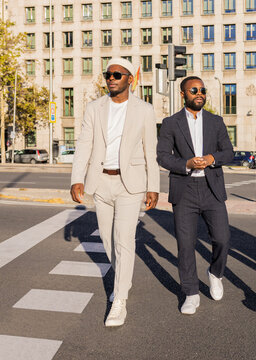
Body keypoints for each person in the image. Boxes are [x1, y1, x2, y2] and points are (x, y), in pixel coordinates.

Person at [70, 58, 160, 327]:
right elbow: (84, 144)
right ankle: (124, 279)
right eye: (108, 74)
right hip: (101, 183)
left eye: (117, 75)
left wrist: (153, 186)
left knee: (123, 239)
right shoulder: (94, 108)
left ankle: (119, 300)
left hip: (130, 184)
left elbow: (150, 151)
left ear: (130, 79)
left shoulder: (144, 110)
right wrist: (77, 179)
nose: (111, 78)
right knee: (109, 242)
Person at [157, 76, 234, 315]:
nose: (199, 93)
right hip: (185, 188)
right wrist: (186, 163)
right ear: (183, 94)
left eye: (202, 90)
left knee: (222, 238)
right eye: (194, 90)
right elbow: (162, 156)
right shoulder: (170, 123)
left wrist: (212, 159)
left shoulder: (216, 121)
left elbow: (228, 152)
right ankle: (190, 292)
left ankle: (215, 273)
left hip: (212, 188)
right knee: (186, 245)